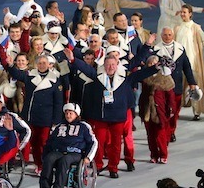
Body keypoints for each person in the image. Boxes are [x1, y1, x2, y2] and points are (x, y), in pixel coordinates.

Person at [65, 48, 158, 178]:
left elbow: (140, 74)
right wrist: (73, 59)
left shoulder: (124, 78)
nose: (110, 67)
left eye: (113, 65)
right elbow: (85, 68)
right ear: (104, 65)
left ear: (117, 65)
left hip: (118, 117)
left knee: (115, 145)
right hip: (100, 116)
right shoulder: (97, 77)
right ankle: (96, 165)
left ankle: (113, 168)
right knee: (98, 142)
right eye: (108, 65)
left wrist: (156, 68)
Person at [39, 103, 97, 188]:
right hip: (59, 151)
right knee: (49, 159)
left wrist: (88, 157)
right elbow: (49, 142)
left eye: (71, 113)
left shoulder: (84, 126)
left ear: (76, 114)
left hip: (76, 153)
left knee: (65, 160)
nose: (68, 115)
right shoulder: (59, 126)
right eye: (66, 113)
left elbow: (93, 142)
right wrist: (45, 155)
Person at [175, 5, 204, 120]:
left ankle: (196, 112)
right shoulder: (177, 28)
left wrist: (196, 51)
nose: (182, 14)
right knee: (178, 87)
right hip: (180, 62)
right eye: (181, 12)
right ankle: (176, 110)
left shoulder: (195, 27)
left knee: (194, 86)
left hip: (192, 62)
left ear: (190, 13)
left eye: (185, 12)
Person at [139, 56, 176, 164]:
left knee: (160, 133)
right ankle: (154, 154)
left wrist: (171, 108)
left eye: (154, 63)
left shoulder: (165, 77)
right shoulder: (145, 76)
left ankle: (163, 154)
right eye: (150, 63)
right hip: (147, 109)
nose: (152, 65)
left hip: (160, 110)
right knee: (150, 134)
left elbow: (170, 96)